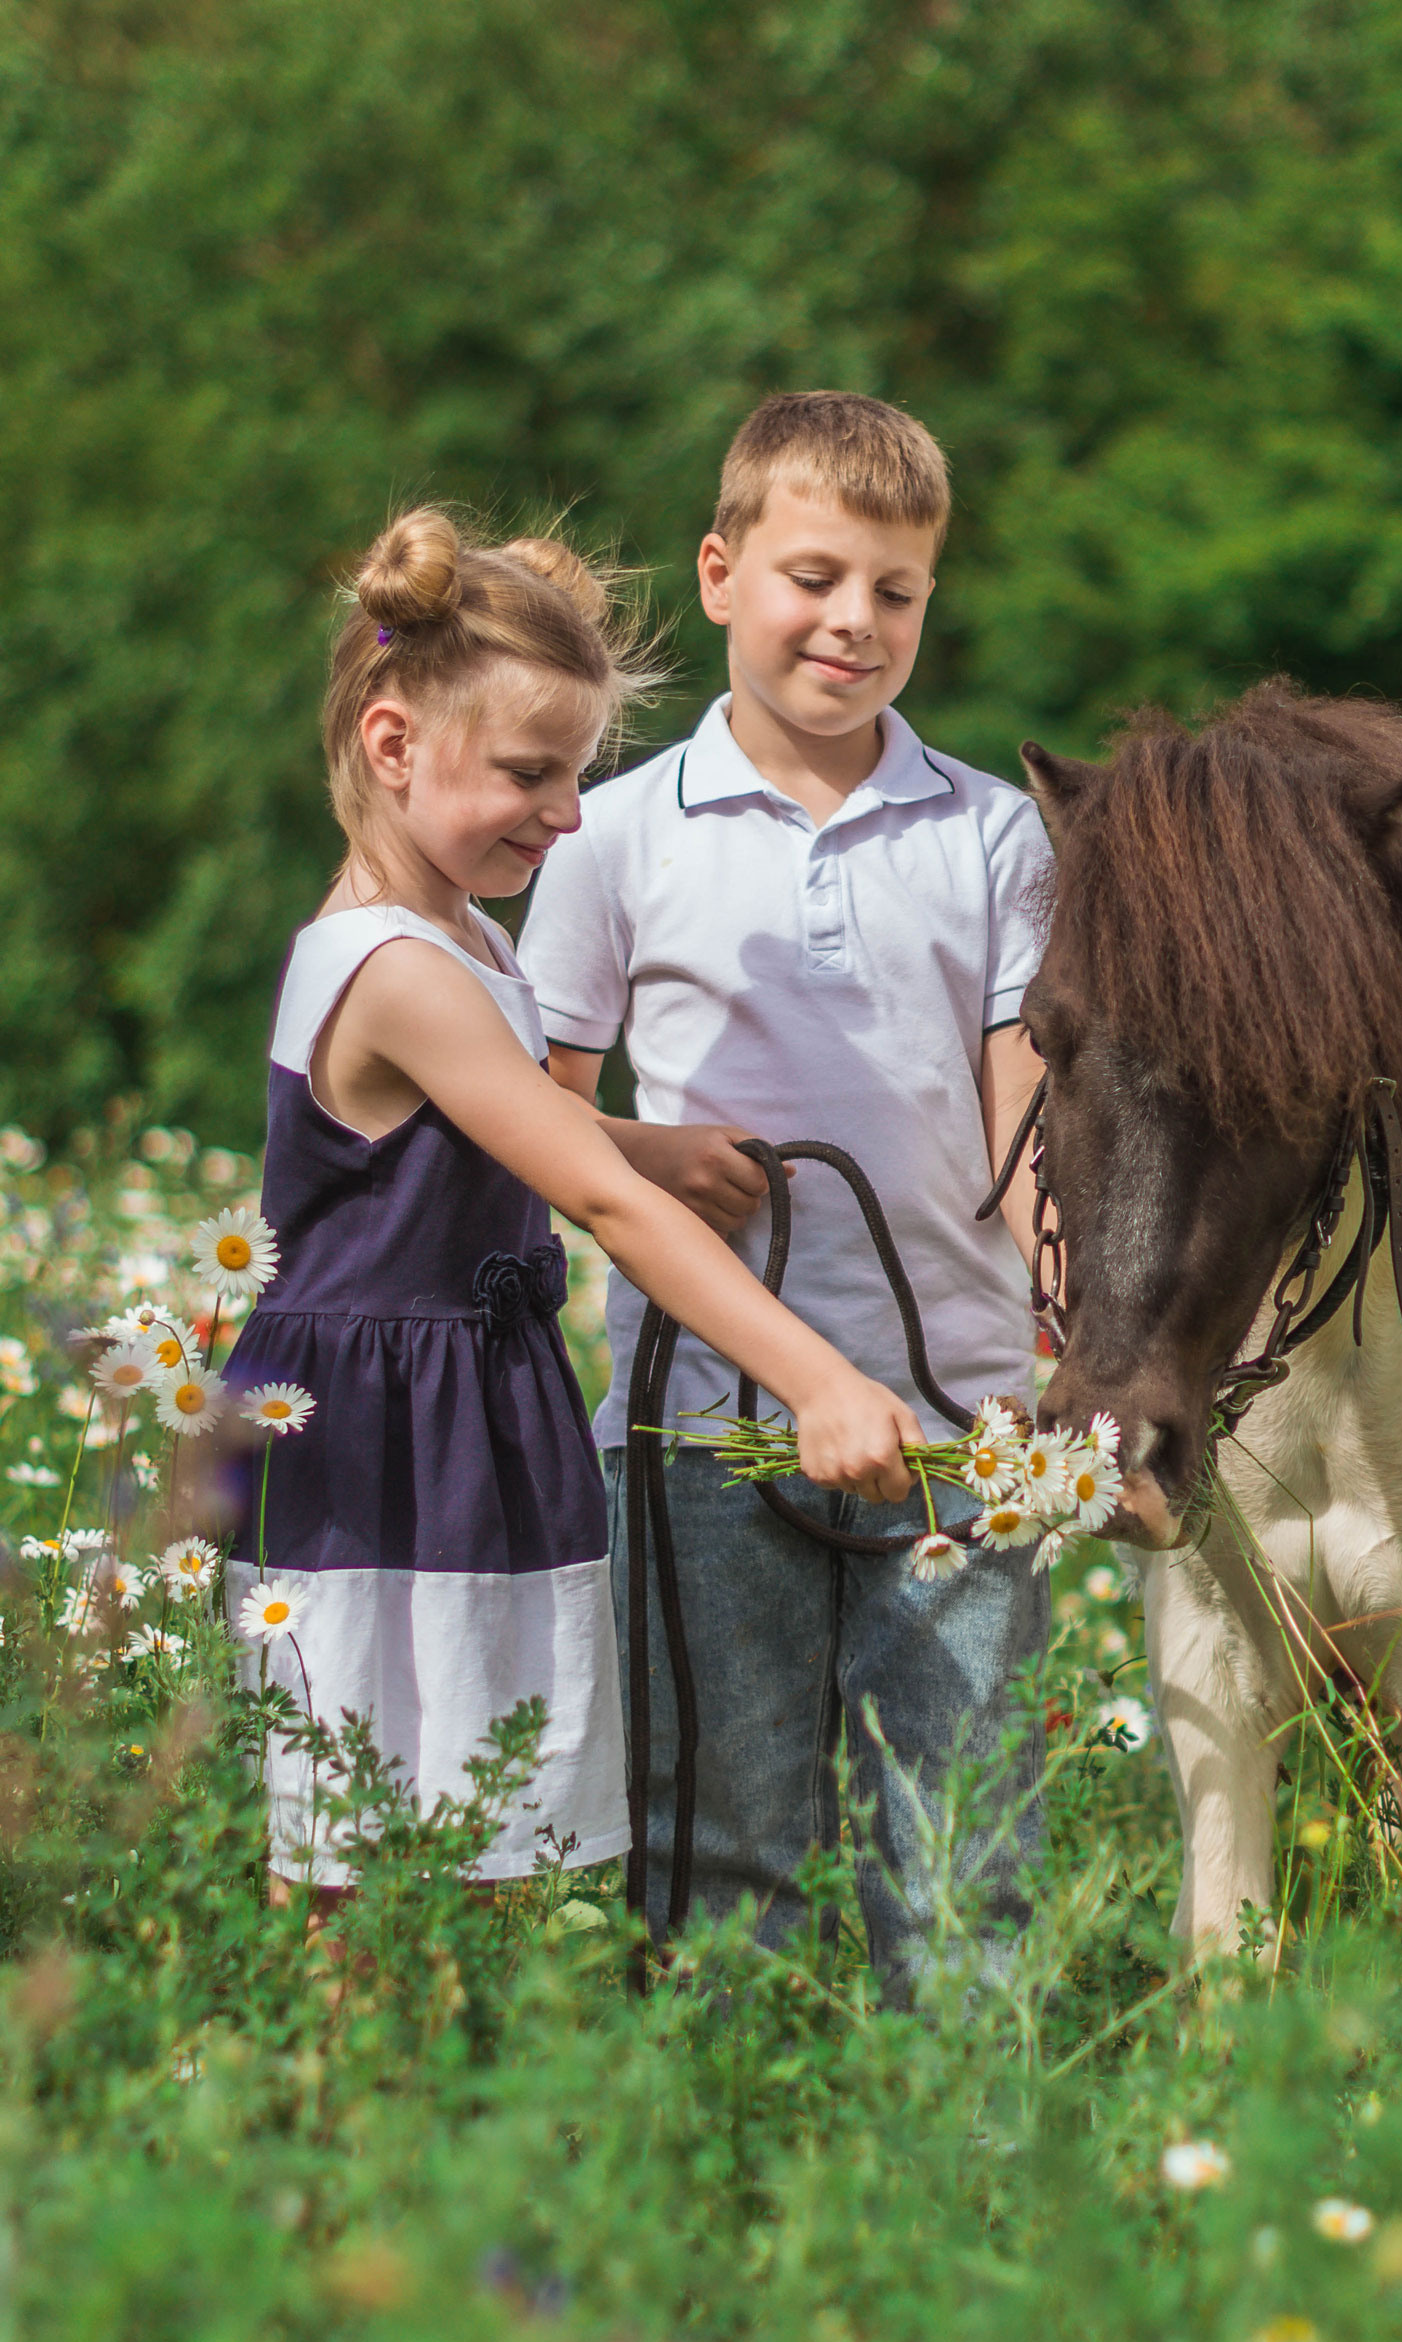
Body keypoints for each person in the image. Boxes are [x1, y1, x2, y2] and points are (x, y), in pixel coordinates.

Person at [224, 506, 923, 1903]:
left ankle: (423, 2099)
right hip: (383, 1449)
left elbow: (500, 1125)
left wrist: (647, 1142)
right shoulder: (397, 963)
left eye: (583, 773)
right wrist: (816, 1379)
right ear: (393, 744)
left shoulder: (455, 930)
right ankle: (338, 2102)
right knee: (369, 1857)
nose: (568, 813)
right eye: (534, 775)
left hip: (465, 1416)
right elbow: (592, 1194)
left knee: (473, 1833)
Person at [519, 392, 1053, 2000]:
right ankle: (726, 2217)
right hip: (703, 1434)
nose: (854, 621)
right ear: (718, 572)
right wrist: (651, 1149)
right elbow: (539, 1131)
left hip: (962, 1427)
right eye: (815, 576)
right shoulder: (608, 836)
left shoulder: (994, 831)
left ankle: (964, 2234)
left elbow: (1026, 1125)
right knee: (716, 1865)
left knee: (963, 1875)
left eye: (895, 592)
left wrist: (1072, 1349)